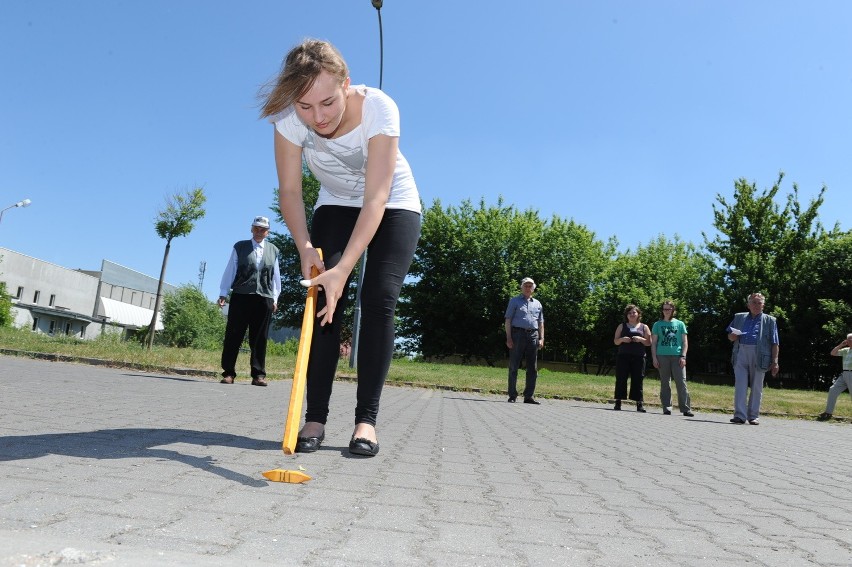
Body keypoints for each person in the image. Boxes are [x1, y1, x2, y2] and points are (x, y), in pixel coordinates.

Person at [260, 39, 421, 457]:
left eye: (328, 103)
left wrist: (344, 267)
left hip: (392, 202)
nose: (318, 117)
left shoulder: (379, 108)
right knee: (322, 301)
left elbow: (376, 199)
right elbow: (291, 192)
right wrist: (305, 246)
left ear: (346, 84)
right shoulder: (287, 118)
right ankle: (315, 417)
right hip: (333, 202)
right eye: (306, 107)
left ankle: (366, 420)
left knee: (379, 297)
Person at [218, 215, 282, 387]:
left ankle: (258, 375)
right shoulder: (240, 247)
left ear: (268, 232)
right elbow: (230, 269)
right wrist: (223, 292)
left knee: (260, 338)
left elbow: (276, 277)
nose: (259, 232)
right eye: (256, 228)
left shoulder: (273, 250)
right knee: (234, 335)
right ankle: (228, 373)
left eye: (263, 229)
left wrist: (275, 299)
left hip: (264, 298)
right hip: (241, 296)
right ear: (251, 229)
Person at [726, 292, 780, 425]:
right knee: (740, 385)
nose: (756, 305)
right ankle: (739, 415)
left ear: (763, 305)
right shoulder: (739, 317)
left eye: (759, 303)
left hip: (760, 354)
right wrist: (732, 337)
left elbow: (775, 343)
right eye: (753, 302)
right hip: (741, 352)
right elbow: (730, 336)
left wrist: (775, 362)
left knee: (757, 386)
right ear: (748, 305)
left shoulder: (770, 320)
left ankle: (753, 416)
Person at [504, 277, 545, 404]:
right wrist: (509, 338)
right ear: (521, 287)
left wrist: (542, 338)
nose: (528, 288)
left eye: (530, 286)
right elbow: (508, 320)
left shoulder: (537, 303)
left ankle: (529, 396)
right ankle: (512, 395)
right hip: (518, 335)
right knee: (514, 366)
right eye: (525, 286)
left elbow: (541, 323)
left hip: (533, 336)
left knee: (532, 368)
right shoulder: (514, 301)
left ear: (533, 288)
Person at [651, 300, 694, 417]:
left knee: (681, 382)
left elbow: (685, 342)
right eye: (664, 309)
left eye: (669, 309)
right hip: (662, 356)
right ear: (662, 310)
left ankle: (685, 408)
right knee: (665, 383)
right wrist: (654, 358)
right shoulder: (657, 324)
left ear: (673, 310)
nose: (666, 311)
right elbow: (653, 343)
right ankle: (667, 407)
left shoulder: (680, 324)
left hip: (677, 356)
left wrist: (683, 356)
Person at [613, 304, 651, 412]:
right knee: (621, 378)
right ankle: (618, 402)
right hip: (623, 356)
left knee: (638, 379)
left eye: (634, 312)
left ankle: (639, 403)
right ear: (627, 315)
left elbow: (649, 342)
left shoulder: (644, 327)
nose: (632, 314)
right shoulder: (622, 326)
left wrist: (640, 339)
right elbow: (615, 341)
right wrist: (622, 339)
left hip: (639, 357)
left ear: (638, 314)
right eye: (629, 313)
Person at [816, 333, 852, 421]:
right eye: (849, 339)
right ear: (846, 341)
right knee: (833, 390)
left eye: (851, 339)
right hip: (844, 374)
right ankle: (828, 413)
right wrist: (840, 345)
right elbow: (833, 353)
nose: (850, 341)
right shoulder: (846, 350)